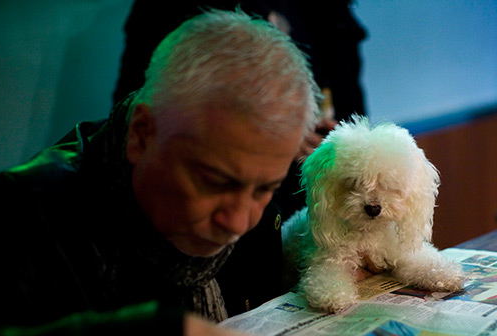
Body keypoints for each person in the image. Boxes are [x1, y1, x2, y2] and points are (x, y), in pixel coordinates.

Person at [0, 9, 361, 336]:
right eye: (212, 182)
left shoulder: (248, 174)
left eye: (264, 190)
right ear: (142, 134)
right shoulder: (24, 210)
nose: (238, 222)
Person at [112, 0, 368, 219]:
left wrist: (353, 144)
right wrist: (279, 136)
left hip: (315, 203)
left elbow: (352, 112)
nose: (236, 221)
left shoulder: (333, 15)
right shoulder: (174, 10)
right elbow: (131, 109)